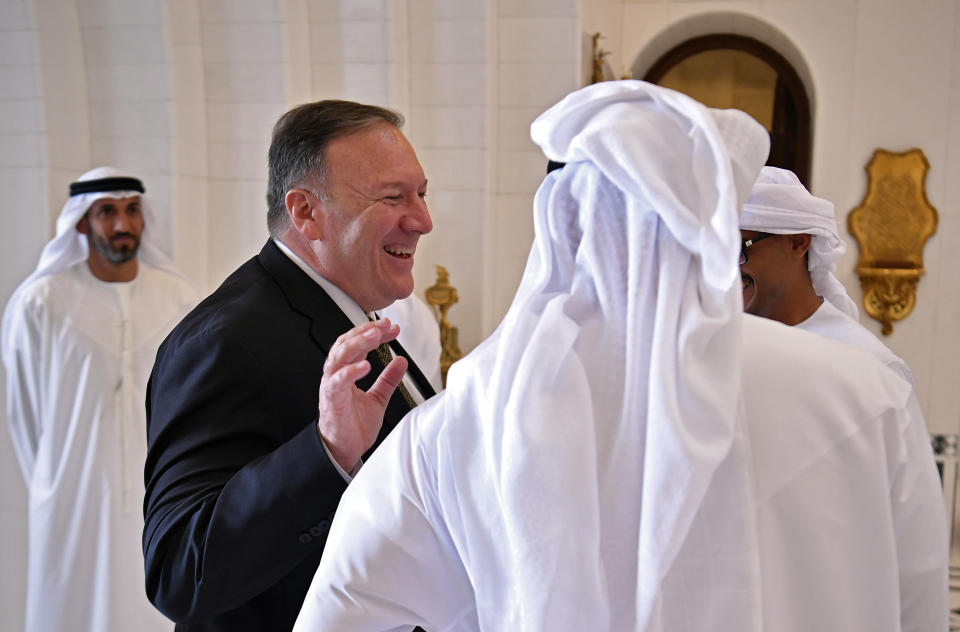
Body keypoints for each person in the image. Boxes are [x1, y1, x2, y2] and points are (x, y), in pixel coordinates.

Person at [292, 81, 947, 631]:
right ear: (711, 225)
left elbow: (340, 614)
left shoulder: (463, 422)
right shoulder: (866, 391)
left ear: (561, 223)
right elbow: (918, 606)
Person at [142, 100, 437, 631]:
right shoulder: (224, 340)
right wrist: (326, 452)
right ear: (305, 212)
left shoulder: (350, 314)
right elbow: (178, 572)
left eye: (421, 193)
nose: (422, 221)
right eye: (393, 197)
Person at [1, 167, 198, 632]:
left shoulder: (180, 299)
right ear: (82, 223)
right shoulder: (41, 302)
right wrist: (57, 475)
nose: (121, 224)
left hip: (158, 488)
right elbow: (25, 413)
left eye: (131, 210)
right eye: (106, 212)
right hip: (72, 492)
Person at [739, 166, 912, 382]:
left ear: (797, 243)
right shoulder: (713, 347)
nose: (725, 269)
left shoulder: (873, 370)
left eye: (738, 248)